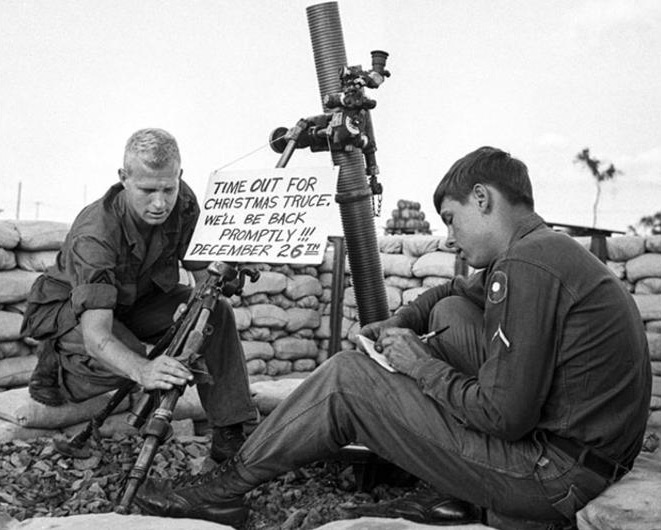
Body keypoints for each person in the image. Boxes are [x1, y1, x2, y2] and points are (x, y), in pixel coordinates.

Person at [135, 146, 652, 529]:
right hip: (584, 457)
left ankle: (225, 490)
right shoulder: (543, 251)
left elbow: (505, 416)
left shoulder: (527, 266)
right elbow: (454, 290)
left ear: (482, 198)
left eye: (452, 220)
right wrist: (400, 323)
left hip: (553, 479)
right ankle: (455, 491)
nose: (449, 236)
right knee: (450, 309)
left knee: (347, 379)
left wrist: (417, 365)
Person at [22, 128, 257, 463]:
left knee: (214, 311)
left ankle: (231, 434)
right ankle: (58, 364)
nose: (160, 202)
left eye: (168, 188)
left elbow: (206, 279)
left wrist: (203, 308)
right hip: (72, 311)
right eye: (148, 190)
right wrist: (144, 369)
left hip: (136, 300)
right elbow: (98, 335)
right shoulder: (96, 233)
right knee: (128, 357)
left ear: (179, 177)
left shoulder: (184, 202)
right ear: (124, 178)